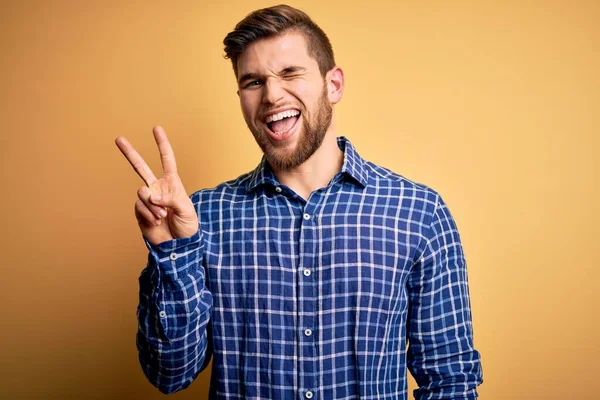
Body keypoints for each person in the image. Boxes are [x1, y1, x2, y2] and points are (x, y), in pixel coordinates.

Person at [115, 4, 483, 399]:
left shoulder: (418, 213)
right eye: (253, 81)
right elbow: (169, 375)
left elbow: (450, 382)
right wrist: (174, 251)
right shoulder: (204, 216)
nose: (272, 94)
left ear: (333, 84)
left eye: (290, 72)